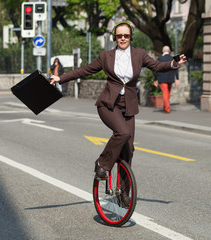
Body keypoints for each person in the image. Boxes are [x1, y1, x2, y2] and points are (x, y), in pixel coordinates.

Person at [50, 21, 186, 205]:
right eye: (119, 35)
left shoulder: (139, 55)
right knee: (123, 133)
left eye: (126, 35)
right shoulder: (106, 56)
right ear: (115, 37)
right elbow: (85, 70)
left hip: (128, 106)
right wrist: (60, 78)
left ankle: (123, 192)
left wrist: (173, 63)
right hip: (108, 105)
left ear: (131, 37)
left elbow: (156, 66)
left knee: (129, 150)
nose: (123, 38)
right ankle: (102, 164)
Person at [153, 46, 179, 113]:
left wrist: (155, 79)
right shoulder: (174, 58)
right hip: (171, 78)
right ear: (169, 51)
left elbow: (155, 69)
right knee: (168, 93)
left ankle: (167, 109)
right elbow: (176, 68)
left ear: (162, 51)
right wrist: (177, 78)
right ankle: (166, 107)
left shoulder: (159, 58)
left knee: (165, 93)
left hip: (162, 78)